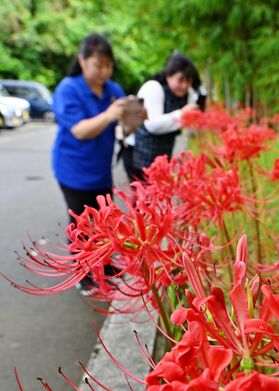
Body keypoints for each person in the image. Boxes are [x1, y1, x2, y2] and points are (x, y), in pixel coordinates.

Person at [52, 33, 142, 294]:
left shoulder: (113, 90)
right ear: (82, 61)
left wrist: (135, 117)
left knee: (104, 221)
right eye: (98, 64)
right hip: (73, 170)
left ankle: (103, 265)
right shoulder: (69, 88)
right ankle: (84, 275)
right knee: (81, 225)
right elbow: (80, 130)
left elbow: (125, 129)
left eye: (108, 65)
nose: (104, 71)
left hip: (101, 170)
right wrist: (110, 114)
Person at [122, 53, 204, 181]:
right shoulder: (153, 88)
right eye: (180, 80)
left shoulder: (184, 95)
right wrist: (182, 114)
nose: (184, 85)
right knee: (142, 198)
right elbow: (153, 125)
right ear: (168, 75)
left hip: (160, 157)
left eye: (188, 81)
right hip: (137, 154)